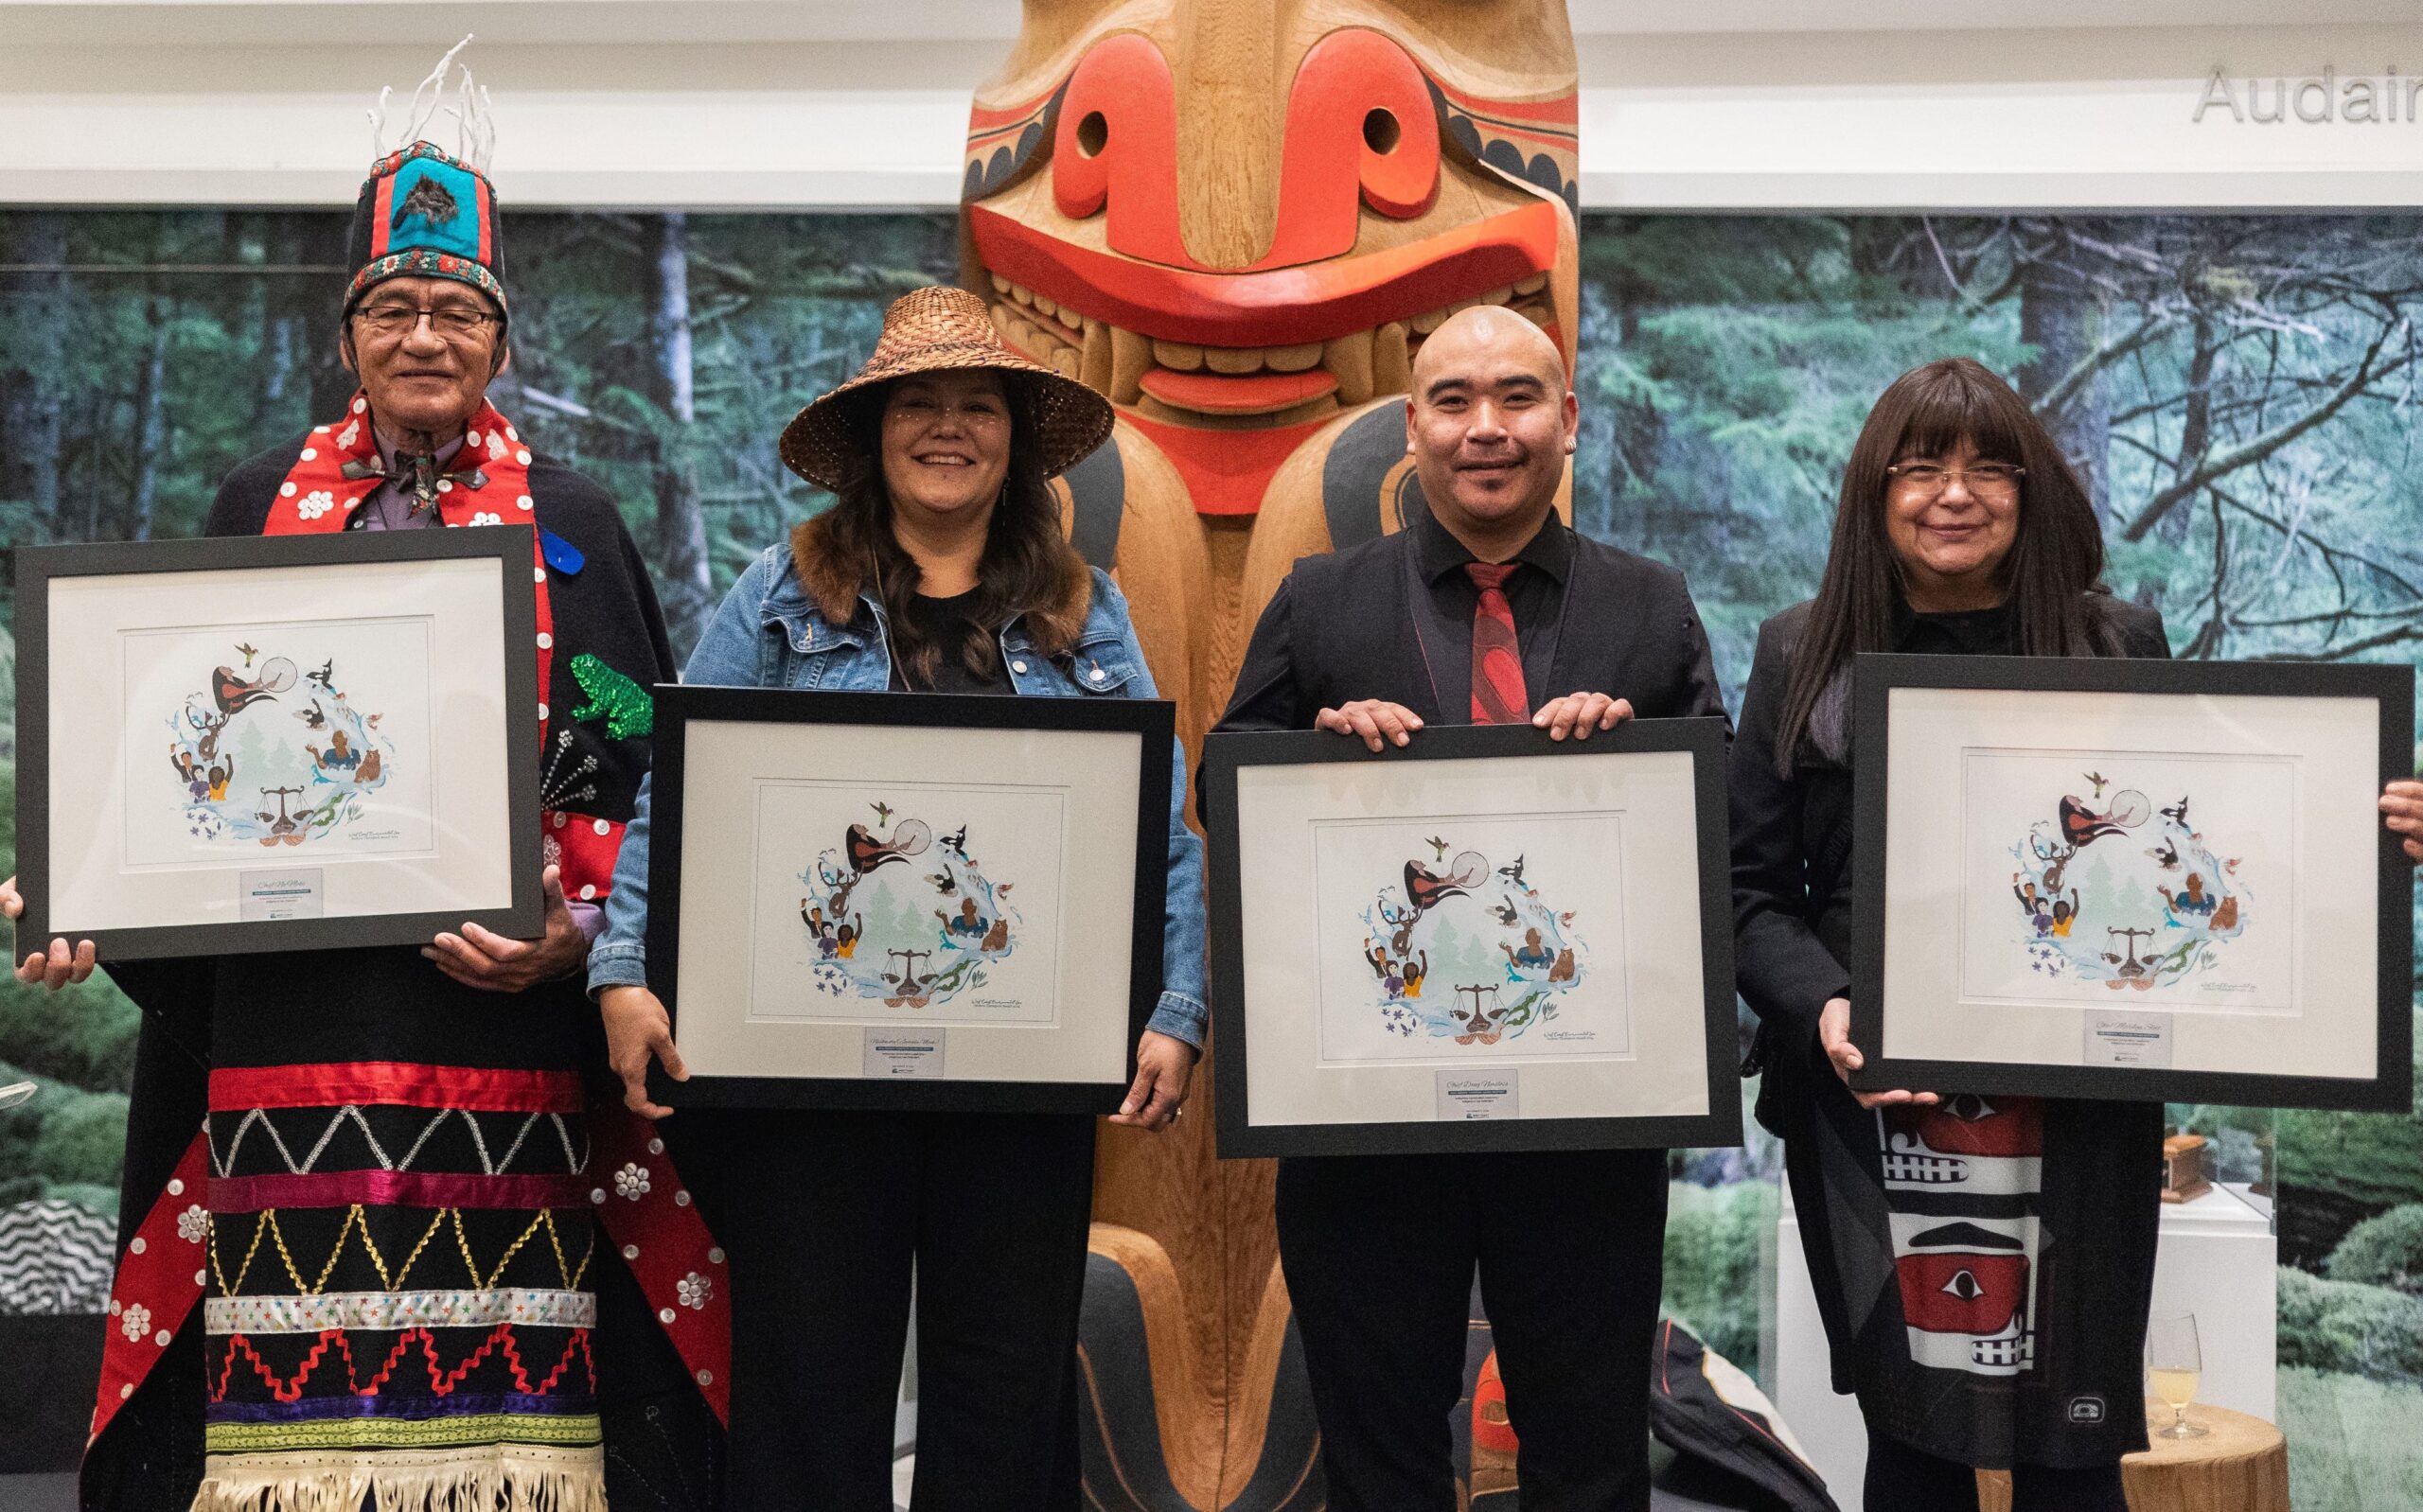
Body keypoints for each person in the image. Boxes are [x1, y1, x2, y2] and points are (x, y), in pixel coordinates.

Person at [9, 85, 716, 1512]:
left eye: (458, 310)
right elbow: (162, 738)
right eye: (394, 307)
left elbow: (632, 746)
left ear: (503, 342)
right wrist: (77, 866)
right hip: (291, 1020)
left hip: (498, 1023)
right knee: (288, 1398)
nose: (425, 336)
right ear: (347, 337)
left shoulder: (570, 522)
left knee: (503, 1417)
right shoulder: (254, 496)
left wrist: (578, 935)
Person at [1728, 356, 2423, 1510]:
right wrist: (1826, 1009)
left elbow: (2219, 824)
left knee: (2076, 1441)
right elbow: (1750, 893)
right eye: (1922, 465)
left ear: (2030, 489)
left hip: (2081, 1093)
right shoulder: (1798, 651)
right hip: (1872, 1093)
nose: (1954, 493)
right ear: (1874, 490)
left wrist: (2375, 819)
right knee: (1912, 1440)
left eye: (1987, 466)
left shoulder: (2114, 641)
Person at [592, 285, 1209, 1510]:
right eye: (918, 405)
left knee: (1004, 1391)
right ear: (875, 433)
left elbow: (1159, 827)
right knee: (809, 1392)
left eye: (976, 405)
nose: (948, 427)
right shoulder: (781, 591)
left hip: (1024, 1075)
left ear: (1014, 439)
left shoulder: (1086, 612)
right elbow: (681, 789)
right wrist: (622, 970)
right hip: (810, 1075)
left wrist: (1179, 1002)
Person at [1210, 304, 1728, 1512]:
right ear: (1412, 426)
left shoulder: (1649, 604)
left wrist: (1638, 749)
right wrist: (1313, 752)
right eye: (1452, 400)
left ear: (1568, 423)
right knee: (1378, 1450)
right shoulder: (1321, 599)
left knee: (1590, 1453)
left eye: (1516, 397)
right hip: (1365, 1122)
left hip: (1587, 1124)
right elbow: (1219, 787)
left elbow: (1714, 819)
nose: (1484, 427)